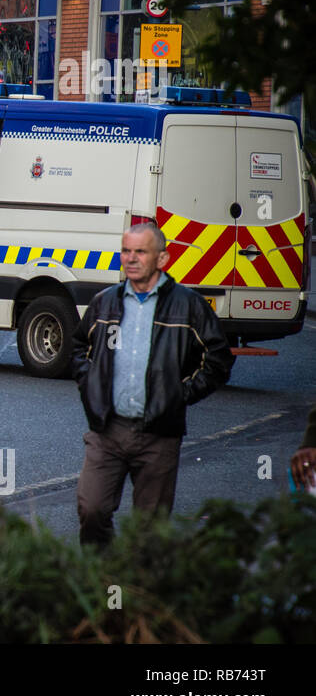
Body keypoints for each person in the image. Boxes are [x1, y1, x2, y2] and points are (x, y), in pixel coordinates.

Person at [70, 222, 234, 549]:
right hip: (107, 431)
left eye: (140, 252)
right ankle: (103, 580)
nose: (130, 259)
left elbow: (218, 358)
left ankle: (138, 592)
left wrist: (179, 395)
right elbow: (78, 348)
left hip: (159, 434)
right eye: (126, 251)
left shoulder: (187, 305)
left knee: (149, 532)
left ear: (162, 259)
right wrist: (92, 387)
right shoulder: (106, 302)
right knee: (92, 509)